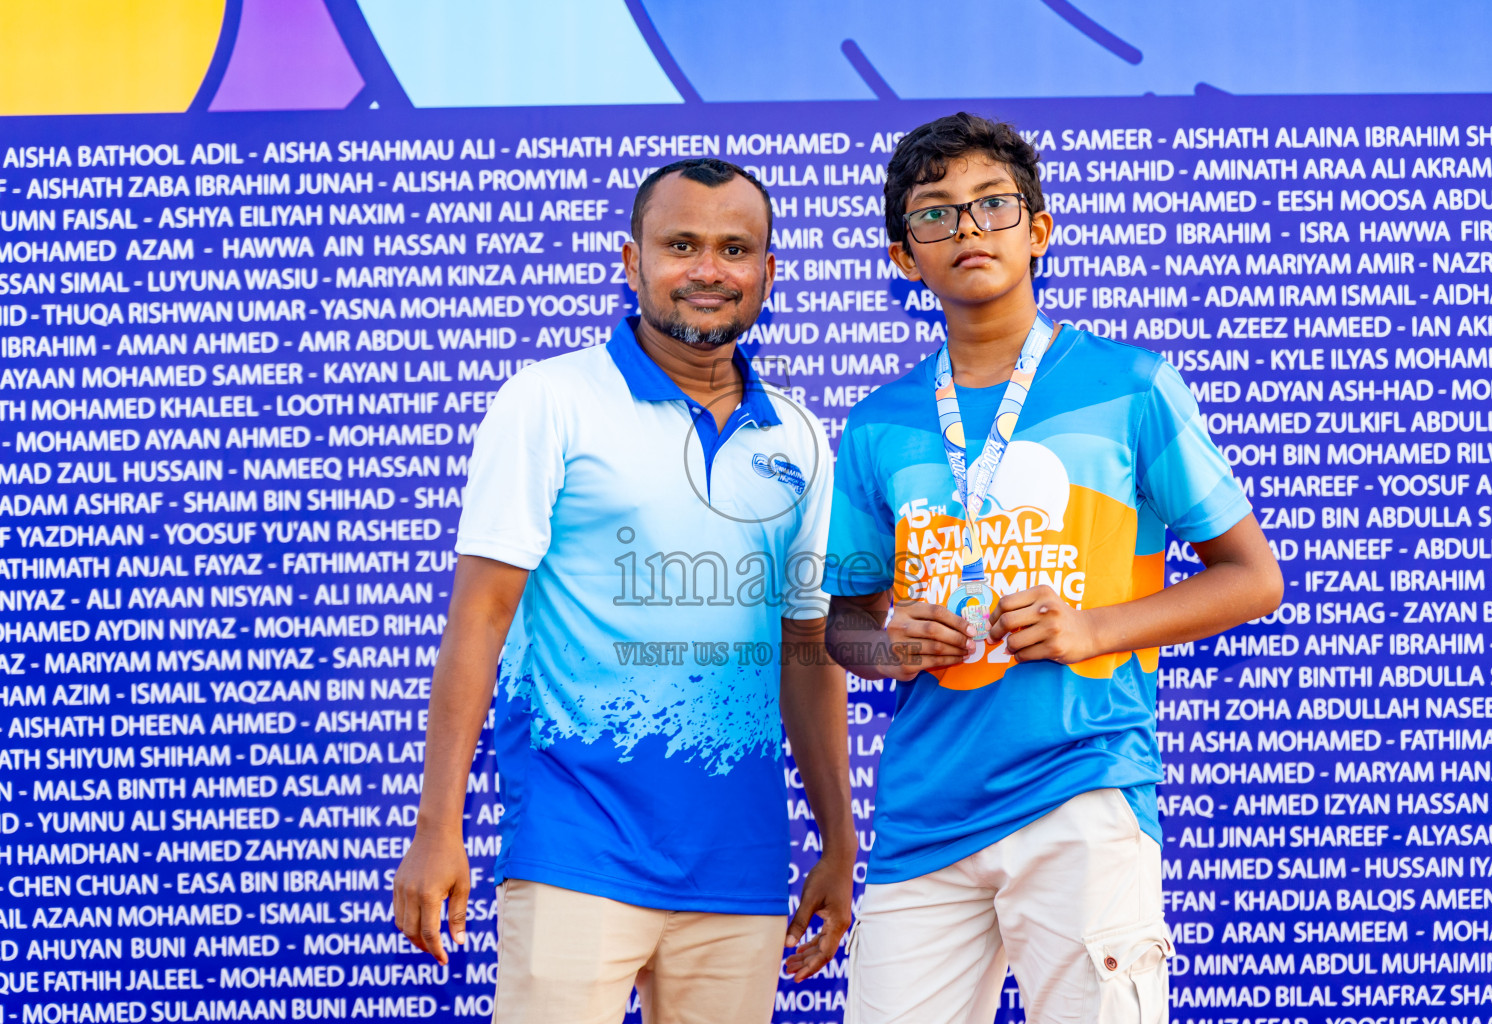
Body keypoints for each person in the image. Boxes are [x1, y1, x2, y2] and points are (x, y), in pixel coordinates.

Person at [823, 113, 1284, 1024]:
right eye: (935, 215)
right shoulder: (878, 423)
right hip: (924, 819)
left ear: (1037, 229)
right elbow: (846, 625)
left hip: (1083, 791)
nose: (967, 230)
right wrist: (890, 646)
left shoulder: (1131, 386)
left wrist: (1093, 630)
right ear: (903, 257)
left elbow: (1252, 576)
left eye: (992, 206)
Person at [392, 157, 855, 1024]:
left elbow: (807, 650)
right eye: (681, 245)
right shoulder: (550, 401)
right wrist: (437, 827)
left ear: (768, 272)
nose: (708, 270)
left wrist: (837, 838)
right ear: (631, 259)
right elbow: (479, 622)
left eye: (734, 248)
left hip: (740, 865)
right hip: (576, 848)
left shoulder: (799, 436)